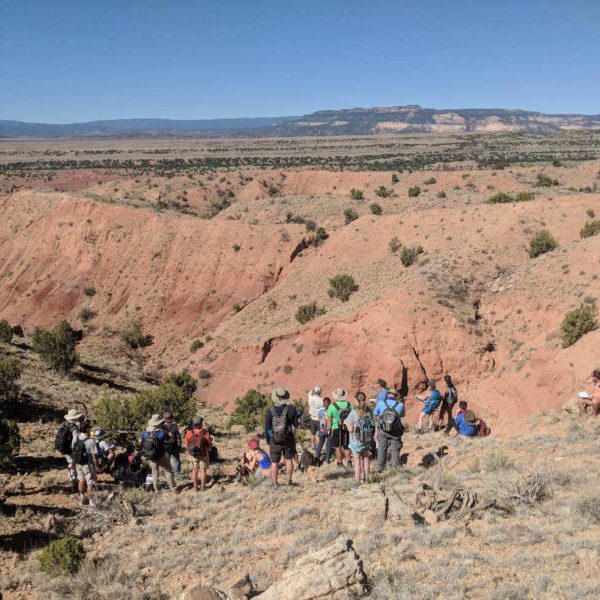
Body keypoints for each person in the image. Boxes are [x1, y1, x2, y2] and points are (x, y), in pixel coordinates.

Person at [264, 388, 299, 485]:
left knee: (274, 462)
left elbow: (266, 428)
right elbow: (296, 425)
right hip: (288, 439)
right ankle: (289, 482)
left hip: (274, 440)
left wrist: (268, 440)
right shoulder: (292, 409)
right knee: (288, 460)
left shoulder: (270, 411)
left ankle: (275, 483)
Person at [139, 414, 178, 493]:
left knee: (154, 473)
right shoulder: (161, 433)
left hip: (151, 456)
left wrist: (146, 446)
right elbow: (171, 440)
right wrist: (169, 433)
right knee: (168, 471)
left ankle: (157, 490)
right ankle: (173, 488)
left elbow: (139, 441)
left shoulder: (145, 432)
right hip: (161, 455)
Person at [373, 388, 405, 470]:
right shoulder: (400, 405)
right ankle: (395, 467)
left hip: (383, 429)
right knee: (395, 449)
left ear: (388, 394)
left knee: (382, 448)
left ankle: (380, 468)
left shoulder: (381, 403)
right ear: (396, 396)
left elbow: (375, 413)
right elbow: (402, 415)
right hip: (395, 431)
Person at [55, 408, 84, 493]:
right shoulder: (74, 428)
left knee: (70, 464)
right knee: (73, 466)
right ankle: (74, 484)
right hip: (71, 450)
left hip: (64, 449)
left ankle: (72, 480)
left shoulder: (65, 424)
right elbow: (75, 440)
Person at [346, 399, 375, 484]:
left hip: (356, 442)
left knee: (357, 462)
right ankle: (367, 479)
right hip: (367, 440)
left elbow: (350, 429)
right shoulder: (369, 413)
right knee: (366, 459)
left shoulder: (353, 413)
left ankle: (357, 481)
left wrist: (346, 423)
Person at [72, 421, 99, 507]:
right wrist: (97, 466)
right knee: (90, 482)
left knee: (81, 480)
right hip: (88, 464)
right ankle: (91, 501)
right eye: (89, 428)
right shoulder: (91, 441)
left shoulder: (76, 437)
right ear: (87, 429)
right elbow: (94, 456)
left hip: (78, 463)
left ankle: (82, 498)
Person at [184, 416, 212, 492]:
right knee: (203, 470)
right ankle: (203, 487)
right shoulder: (205, 433)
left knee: (195, 470)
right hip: (203, 454)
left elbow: (187, 444)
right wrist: (206, 449)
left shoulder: (189, 433)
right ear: (201, 423)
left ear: (193, 424)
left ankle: (195, 488)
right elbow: (209, 444)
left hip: (193, 455)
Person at [326, 388, 353, 468]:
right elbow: (354, 415)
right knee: (347, 446)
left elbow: (329, 419)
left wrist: (328, 429)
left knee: (337, 447)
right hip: (346, 427)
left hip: (336, 428)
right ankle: (349, 462)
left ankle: (340, 463)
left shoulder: (332, 406)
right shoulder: (349, 405)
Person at [162, 411, 182, 477]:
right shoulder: (175, 426)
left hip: (165, 447)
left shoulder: (161, 427)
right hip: (174, 446)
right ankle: (177, 474)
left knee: (166, 461)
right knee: (176, 460)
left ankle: (168, 474)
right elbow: (178, 437)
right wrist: (179, 446)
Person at [315, 397, 332, 465]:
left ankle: (316, 457)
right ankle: (327, 460)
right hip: (329, 430)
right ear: (329, 403)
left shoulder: (320, 411)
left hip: (321, 429)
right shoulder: (331, 410)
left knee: (320, 444)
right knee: (328, 445)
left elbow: (318, 419)